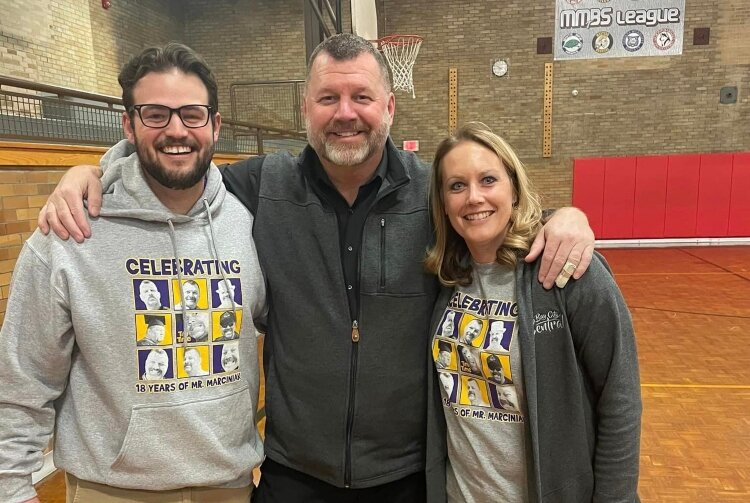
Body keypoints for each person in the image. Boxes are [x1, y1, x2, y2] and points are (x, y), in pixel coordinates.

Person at [36, 34, 595, 502]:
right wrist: (96, 168)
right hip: (291, 474)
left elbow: (492, 216)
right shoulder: (259, 186)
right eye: (328, 98)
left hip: (405, 477)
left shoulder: (431, 193)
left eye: (362, 97)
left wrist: (564, 216)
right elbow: (177, 157)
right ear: (305, 108)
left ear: (390, 107)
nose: (345, 113)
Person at [0, 43, 267, 503]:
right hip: (111, 490)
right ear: (129, 124)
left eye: (192, 114)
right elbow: (23, 381)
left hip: (229, 487)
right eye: (156, 114)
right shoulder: (69, 229)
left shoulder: (250, 223)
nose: (176, 130)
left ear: (216, 126)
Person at [425, 123, 641, 502]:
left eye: (488, 180)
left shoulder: (569, 270)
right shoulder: (443, 279)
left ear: (513, 186)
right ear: (443, 202)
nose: (474, 197)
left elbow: (619, 399)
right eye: (457, 186)